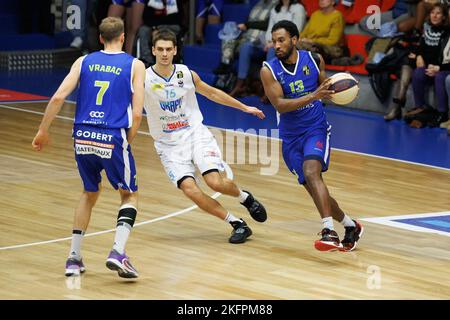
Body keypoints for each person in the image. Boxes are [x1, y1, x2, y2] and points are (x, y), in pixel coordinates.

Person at [31, 17, 146, 278]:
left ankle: (74, 258)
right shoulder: (135, 65)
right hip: (113, 135)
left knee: (89, 191)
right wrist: (127, 140)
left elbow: (59, 96)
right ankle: (118, 251)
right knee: (129, 195)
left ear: (101, 38)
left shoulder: (83, 61)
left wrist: (42, 130)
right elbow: (137, 113)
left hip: (82, 135)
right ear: (124, 37)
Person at [144, 29, 268, 244]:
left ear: (175, 51)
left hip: (195, 135)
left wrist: (244, 107)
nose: (164, 53)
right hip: (168, 145)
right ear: (153, 50)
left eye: (168, 49)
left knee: (215, 183)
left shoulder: (186, 74)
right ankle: (236, 223)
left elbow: (212, 93)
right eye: (160, 49)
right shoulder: (142, 78)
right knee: (190, 190)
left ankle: (244, 197)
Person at [260, 20, 363, 251]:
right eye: (274, 40)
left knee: (311, 171)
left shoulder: (314, 60)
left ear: (294, 40)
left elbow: (325, 89)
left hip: (316, 128)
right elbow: (279, 105)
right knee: (316, 189)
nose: (276, 45)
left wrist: (343, 92)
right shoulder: (268, 70)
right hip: (290, 138)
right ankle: (350, 225)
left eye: (281, 40)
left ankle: (329, 231)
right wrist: (314, 95)